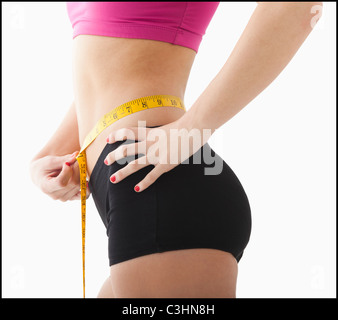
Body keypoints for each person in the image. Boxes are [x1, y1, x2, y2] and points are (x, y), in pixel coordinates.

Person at [30, 2, 322, 298]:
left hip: (161, 188)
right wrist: (55, 152)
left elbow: (298, 6)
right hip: (140, 186)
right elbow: (104, 65)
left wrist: (193, 127)